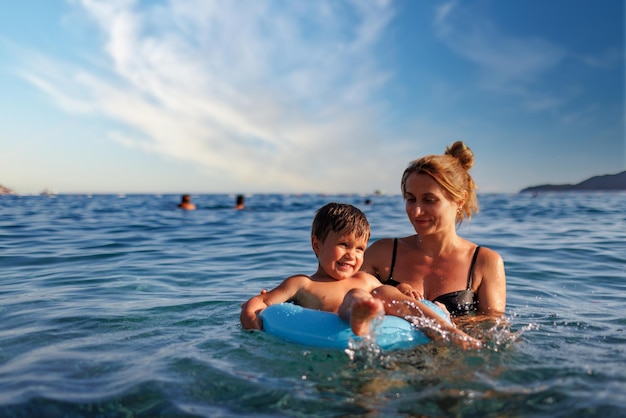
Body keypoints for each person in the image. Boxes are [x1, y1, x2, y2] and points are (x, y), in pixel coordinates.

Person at [240, 202, 479, 348]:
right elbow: (264, 301)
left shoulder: (365, 279)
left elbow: (394, 295)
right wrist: (250, 310)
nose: (351, 255)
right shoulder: (303, 284)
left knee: (383, 290)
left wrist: (405, 289)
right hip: (330, 339)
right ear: (317, 245)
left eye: (360, 249)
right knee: (357, 295)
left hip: (377, 333)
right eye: (344, 244)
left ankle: (446, 330)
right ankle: (360, 312)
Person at [361, 141, 506, 318]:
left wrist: (446, 320)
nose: (416, 211)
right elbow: (343, 298)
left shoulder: (484, 263)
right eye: (411, 199)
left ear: (459, 200)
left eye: (429, 200)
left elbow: (493, 329)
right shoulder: (382, 254)